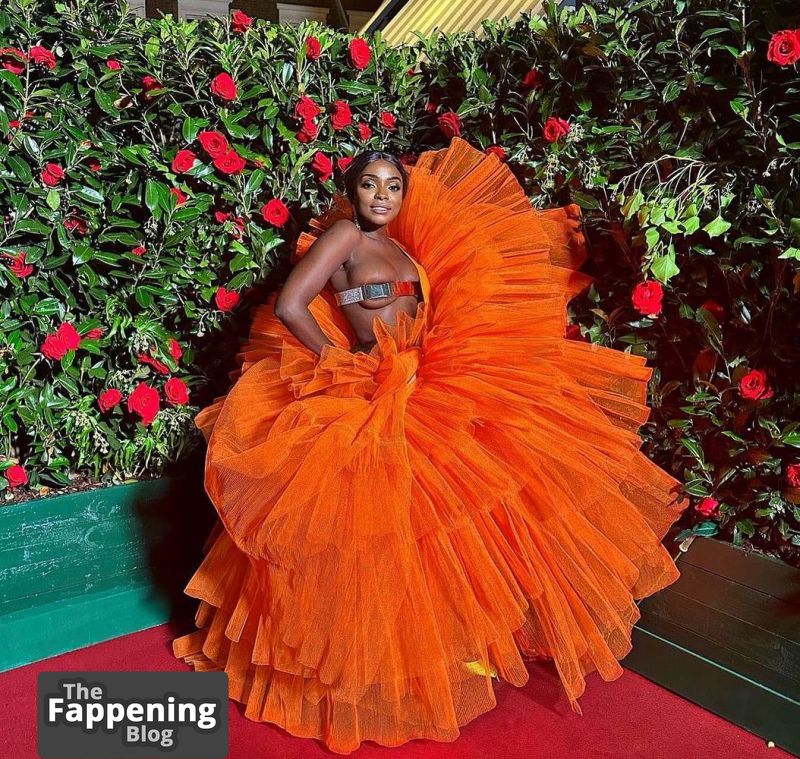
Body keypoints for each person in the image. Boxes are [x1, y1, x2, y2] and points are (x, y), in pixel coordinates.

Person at [172, 136, 688, 754]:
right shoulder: (346, 238)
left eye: (393, 186)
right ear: (352, 191)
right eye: (370, 184)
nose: (382, 196)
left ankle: (449, 647)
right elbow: (290, 305)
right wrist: (339, 362)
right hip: (373, 388)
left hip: (424, 381)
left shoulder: (398, 246)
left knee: (447, 522)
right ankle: (362, 669)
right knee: (378, 529)